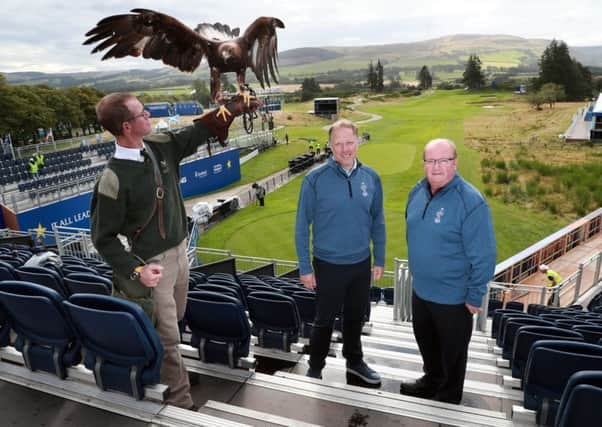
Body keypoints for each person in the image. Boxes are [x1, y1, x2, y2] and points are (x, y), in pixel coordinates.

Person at [90, 92, 258, 410]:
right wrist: (137, 270)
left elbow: (198, 130)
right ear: (126, 126)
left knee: (176, 321)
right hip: (154, 266)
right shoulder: (111, 180)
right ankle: (180, 402)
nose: (148, 115)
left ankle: (169, 370)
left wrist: (231, 109)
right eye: (142, 113)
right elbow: (103, 238)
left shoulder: (159, 145)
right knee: (168, 337)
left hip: (182, 254)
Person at [401, 138, 496, 404]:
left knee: (452, 358)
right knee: (428, 347)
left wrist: (475, 294)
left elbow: (485, 256)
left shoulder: (471, 202)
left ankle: (447, 400)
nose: (436, 167)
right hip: (421, 291)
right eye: (430, 160)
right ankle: (430, 381)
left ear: (455, 163)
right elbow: (413, 233)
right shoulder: (416, 192)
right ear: (424, 164)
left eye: (443, 160)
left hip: (454, 299)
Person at [295, 119, 385, 387]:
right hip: (328, 263)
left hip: (360, 262)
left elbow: (377, 219)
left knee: (356, 316)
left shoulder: (371, 177)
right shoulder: (314, 179)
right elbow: (302, 225)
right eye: (339, 143)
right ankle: (315, 366)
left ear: (358, 141)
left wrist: (379, 257)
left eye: (349, 142)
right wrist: (304, 267)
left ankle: (355, 361)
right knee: (324, 319)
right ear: (330, 146)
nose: (345, 149)